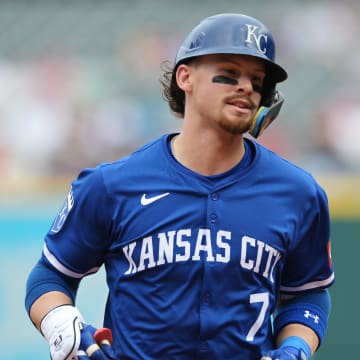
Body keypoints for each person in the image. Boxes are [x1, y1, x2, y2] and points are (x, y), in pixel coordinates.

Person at [25, 13, 334, 360]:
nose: (246, 86)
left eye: (257, 79)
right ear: (185, 76)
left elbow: (308, 294)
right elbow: (50, 277)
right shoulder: (112, 185)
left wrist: (295, 348)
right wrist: (62, 323)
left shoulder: (298, 193)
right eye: (229, 73)